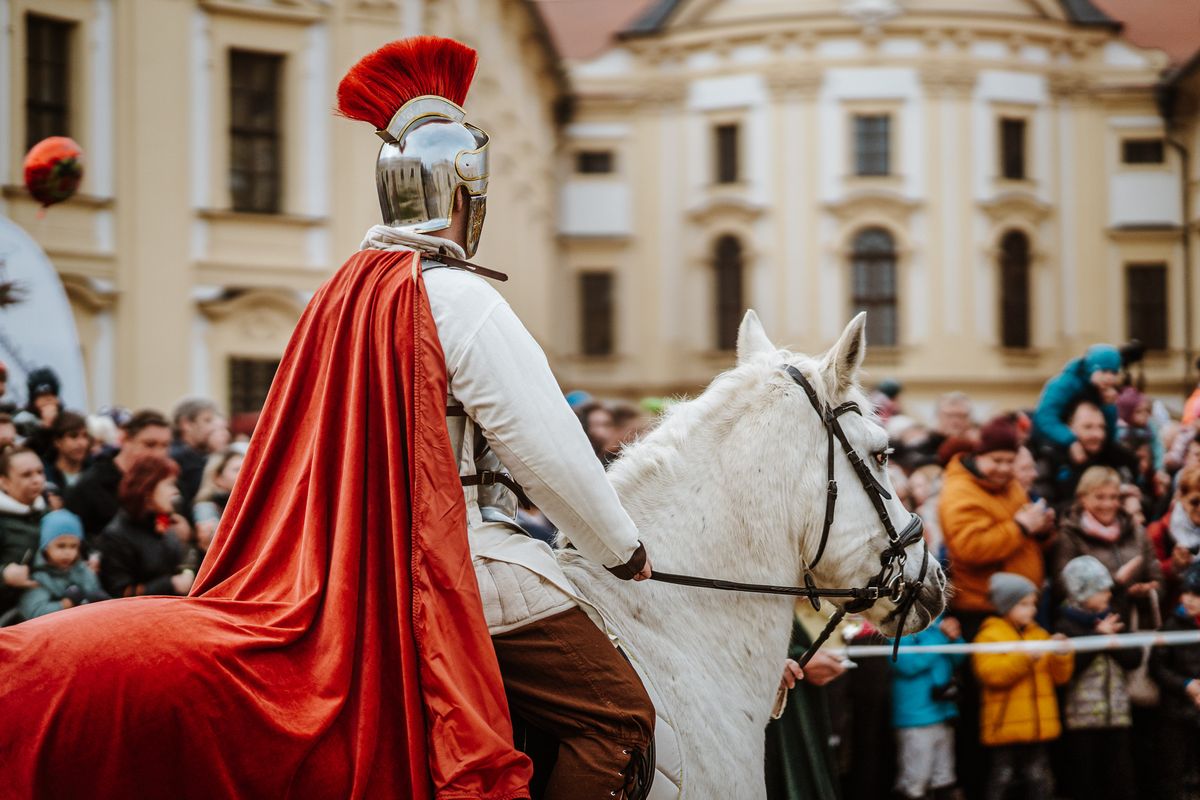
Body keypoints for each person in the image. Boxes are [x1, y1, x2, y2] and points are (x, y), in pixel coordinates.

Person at [0, 37, 648, 799]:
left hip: (336, 558)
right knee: (618, 718)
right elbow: (550, 447)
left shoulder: (342, 292)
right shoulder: (460, 297)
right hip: (456, 558)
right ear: (464, 193)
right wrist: (621, 549)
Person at [941, 416, 1054, 638]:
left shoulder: (1009, 484)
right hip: (983, 609)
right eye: (996, 460)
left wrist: (1042, 530)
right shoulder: (959, 490)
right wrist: (1021, 526)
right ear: (979, 455)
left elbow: (1025, 538)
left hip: (1023, 605)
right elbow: (971, 547)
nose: (1003, 468)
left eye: (1010, 461)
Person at [973, 573, 1073, 800]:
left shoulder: (1040, 634)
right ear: (1006, 605)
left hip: (1038, 727)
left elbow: (1060, 678)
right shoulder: (989, 636)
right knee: (1002, 777)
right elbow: (991, 674)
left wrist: (1061, 655)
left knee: (1039, 777)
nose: (1032, 610)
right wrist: (1025, 657)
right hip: (1005, 727)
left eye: (1033, 604)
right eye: (1024, 604)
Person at [1053, 555, 1138, 800]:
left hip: (1117, 713)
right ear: (1081, 593)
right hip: (1081, 718)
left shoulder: (1115, 617)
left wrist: (1111, 641)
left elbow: (1133, 659)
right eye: (1100, 591)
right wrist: (1098, 638)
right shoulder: (1065, 625)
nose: (1107, 596)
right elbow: (1070, 668)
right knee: (1084, 779)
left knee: (1120, 777)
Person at [1051, 466, 1162, 624]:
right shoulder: (1070, 535)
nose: (1108, 504)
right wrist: (1115, 582)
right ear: (1083, 498)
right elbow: (1063, 587)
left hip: (1138, 623)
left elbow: (1157, 577)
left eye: (1113, 497)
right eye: (1100, 497)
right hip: (1095, 626)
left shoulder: (1137, 531)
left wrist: (1148, 590)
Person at [889, 614, 966, 800]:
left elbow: (959, 659)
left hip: (944, 712)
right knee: (915, 779)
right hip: (915, 718)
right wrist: (941, 636)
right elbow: (906, 664)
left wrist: (955, 638)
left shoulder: (940, 623)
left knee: (944, 777)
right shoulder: (898, 625)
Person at [96, 454, 193, 599]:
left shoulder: (163, 522)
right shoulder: (117, 536)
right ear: (147, 489)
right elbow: (119, 594)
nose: (176, 491)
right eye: (169, 484)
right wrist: (170, 584)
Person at [65, 409, 171, 540]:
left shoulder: (167, 483)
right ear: (125, 440)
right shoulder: (91, 486)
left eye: (165, 446)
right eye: (149, 445)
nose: (158, 454)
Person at [1148, 562, 1200, 800]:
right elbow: (1157, 668)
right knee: (1174, 774)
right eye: (1186, 592)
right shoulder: (1170, 626)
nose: (1189, 599)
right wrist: (1186, 684)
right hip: (1175, 712)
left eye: (1196, 595)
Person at [1035, 401, 1138, 507]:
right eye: (1088, 427)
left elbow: (1144, 498)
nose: (1097, 434)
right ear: (1069, 428)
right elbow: (1044, 507)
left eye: (1101, 427)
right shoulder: (1050, 457)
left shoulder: (1117, 457)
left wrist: (1130, 498)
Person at [18, 509, 109, 620]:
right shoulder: (39, 577)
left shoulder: (82, 570)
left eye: (73, 546)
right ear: (46, 547)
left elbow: (94, 592)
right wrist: (66, 604)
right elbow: (33, 613)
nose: (68, 552)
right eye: (61, 546)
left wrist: (99, 601)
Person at [1032, 344, 1121, 450]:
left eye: (1114, 373)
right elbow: (1045, 417)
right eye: (1104, 371)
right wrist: (1070, 441)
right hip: (1052, 442)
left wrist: (1108, 405)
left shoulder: (1104, 391)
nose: (1109, 377)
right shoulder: (1065, 384)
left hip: (1087, 442)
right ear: (1091, 369)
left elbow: (1108, 435)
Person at [0, 446, 48, 617]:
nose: (37, 480)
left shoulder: (48, 513)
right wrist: (4, 575)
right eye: (26, 475)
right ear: (4, 481)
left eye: (40, 472)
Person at [1147, 464, 1200, 609]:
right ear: (1181, 497)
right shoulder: (1159, 531)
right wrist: (1174, 566)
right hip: (1177, 616)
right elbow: (1152, 577)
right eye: (1195, 502)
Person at [169, 397, 223, 514]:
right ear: (186, 424)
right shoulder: (177, 457)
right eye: (207, 420)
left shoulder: (201, 453)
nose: (214, 427)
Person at [191, 449, 244, 557]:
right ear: (218, 477)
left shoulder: (243, 504)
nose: (244, 472)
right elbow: (214, 544)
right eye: (237, 469)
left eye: (247, 467)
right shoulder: (205, 507)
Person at [13, 366, 63, 457]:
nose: (47, 399)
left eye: (51, 395)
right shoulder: (22, 420)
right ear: (33, 400)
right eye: (41, 396)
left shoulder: (66, 419)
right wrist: (45, 427)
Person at [42, 411, 90, 494]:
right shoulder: (45, 477)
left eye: (85, 436)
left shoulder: (95, 472)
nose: (81, 443)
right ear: (57, 442)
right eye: (73, 436)